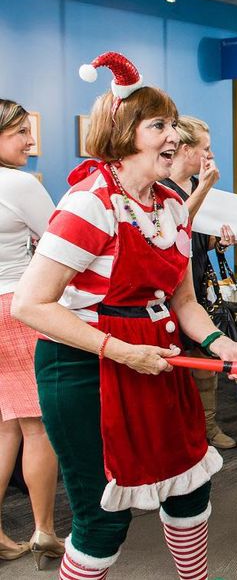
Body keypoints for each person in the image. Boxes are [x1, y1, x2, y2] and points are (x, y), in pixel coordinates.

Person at [12, 52, 237, 579]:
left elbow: (183, 302)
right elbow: (30, 304)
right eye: (160, 126)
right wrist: (123, 352)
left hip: (157, 360)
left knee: (191, 486)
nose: (176, 137)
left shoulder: (170, 206)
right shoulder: (88, 204)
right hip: (86, 370)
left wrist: (220, 343)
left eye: (175, 125)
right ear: (124, 133)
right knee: (103, 518)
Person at [0, 99, 61, 567]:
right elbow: (64, 242)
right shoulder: (18, 183)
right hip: (18, 308)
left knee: (5, 429)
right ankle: (44, 532)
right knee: (38, 425)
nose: (30, 141)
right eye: (21, 132)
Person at [161, 116, 237, 450]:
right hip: (166, 287)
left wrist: (220, 243)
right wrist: (205, 187)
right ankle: (178, 433)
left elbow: (196, 241)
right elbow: (172, 229)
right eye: (205, 148)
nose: (209, 155)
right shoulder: (162, 188)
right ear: (185, 149)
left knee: (205, 361)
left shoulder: (197, 186)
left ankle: (208, 426)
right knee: (172, 364)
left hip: (196, 283)